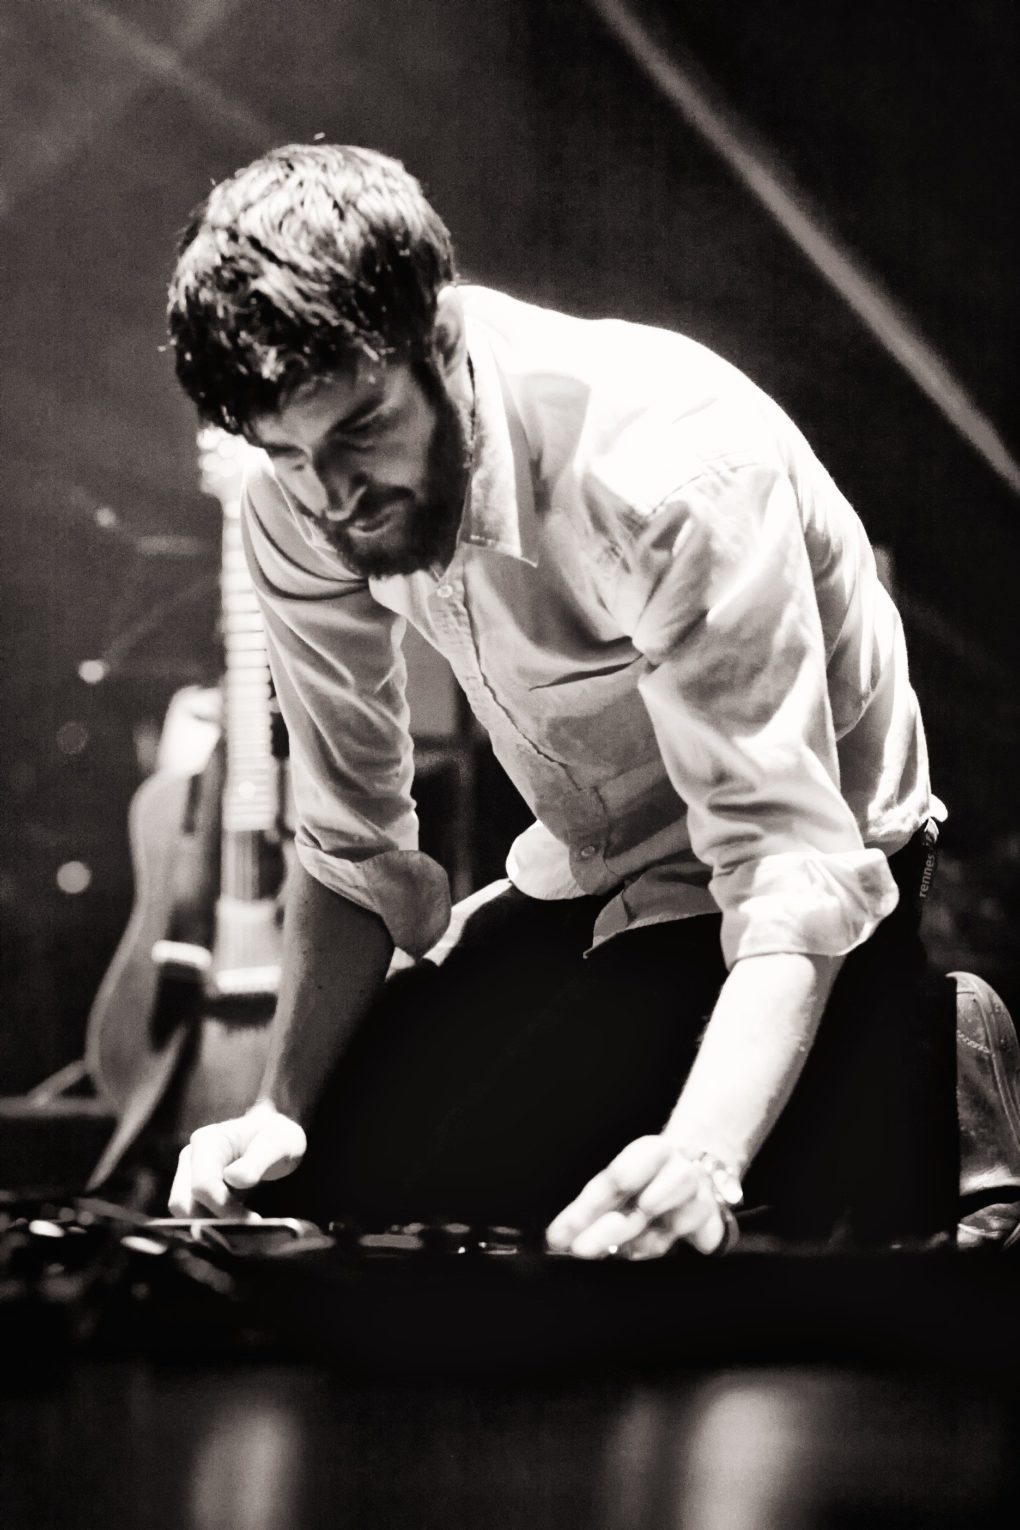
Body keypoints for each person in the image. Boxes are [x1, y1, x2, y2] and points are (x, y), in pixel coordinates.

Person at [163, 142, 1006, 1257]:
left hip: (820, 874)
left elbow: (786, 870)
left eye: (362, 431)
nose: (335, 499)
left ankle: (929, 1041)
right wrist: (279, 1111)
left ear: (444, 341)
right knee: (324, 1187)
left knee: (582, 1222)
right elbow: (350, 840)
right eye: (286, 454)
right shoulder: (303, 503)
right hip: (594, 872)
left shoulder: (669, 469)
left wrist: (701, 1162)